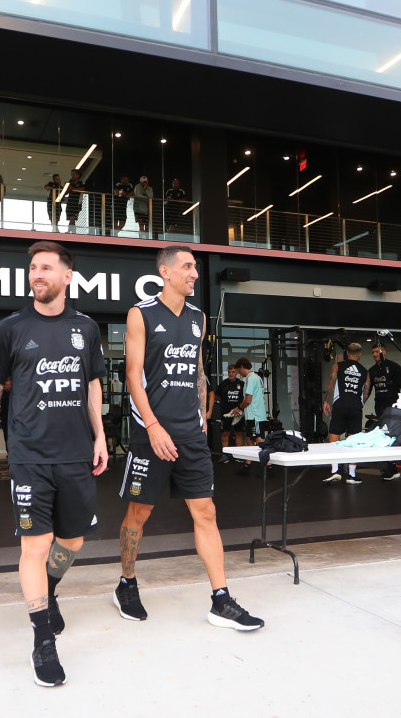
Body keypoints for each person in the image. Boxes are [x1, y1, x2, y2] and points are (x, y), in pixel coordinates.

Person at [0, 241, 108, 688]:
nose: (37, 274)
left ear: (68, 276)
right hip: (28, 453)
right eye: (33, 268)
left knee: (73, 541)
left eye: (46, 267)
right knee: (35, 544)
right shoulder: (11, 327)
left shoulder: (86, 328)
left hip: (76, 453)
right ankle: (42, 639)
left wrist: (101, 435)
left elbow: (91, 386)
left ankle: (46, 592)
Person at [116, 245, 264, 632]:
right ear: (165, 272)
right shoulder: (140, 314)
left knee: (207, 512)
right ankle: (126, 583)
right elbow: (133, 376)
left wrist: (201, 415)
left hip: (189, 433)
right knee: (140, 513)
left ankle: (221, 599)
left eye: (195, 267)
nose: (194, 273)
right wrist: (152, 425)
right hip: (152, 432)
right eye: (187, 267)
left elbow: (198, 370)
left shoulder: (198, 317)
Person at [322, 343, 369, 484]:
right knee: (353, 442)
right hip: (355, 408)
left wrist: (326, 401)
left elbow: (331, 383)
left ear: (347, 353)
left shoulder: (338, 366)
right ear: (360, 354)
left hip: (340, 406)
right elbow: (366, 392)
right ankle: (352, 476)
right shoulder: (365, 371)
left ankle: (335, 471)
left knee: (334, 440)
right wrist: (359, 404)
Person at [366, 343, 401, 481]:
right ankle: (390, 466)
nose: (375, 354)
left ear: (384, 351)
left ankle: (392, 467)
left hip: (393, 406)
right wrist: (361, 403)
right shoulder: (371, 370)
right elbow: (368, 389)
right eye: (373, 352)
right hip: (380, 407)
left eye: (377, 352)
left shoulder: (394, 367)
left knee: (391, 435)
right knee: (382, 436)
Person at [232, 357, 267, 474]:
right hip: (252, 415)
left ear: (242, 367)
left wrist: (238, 408)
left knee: (259, 440)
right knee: (249, 439)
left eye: (238, 370)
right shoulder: (255, 378)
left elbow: (248, 400)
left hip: (256, 416)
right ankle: (247, 466)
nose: (238, 373)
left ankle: (269, 467)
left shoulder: (251, 379)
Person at [215, 364, 245, 449]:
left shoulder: (241, 384)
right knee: (225, 433)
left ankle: (239, 454)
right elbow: (216, 395)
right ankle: (225, 455)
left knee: (238, 433)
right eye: (229, 372)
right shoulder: (223, 384)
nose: (231, 374)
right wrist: (224, 402)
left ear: (237, 373)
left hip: (238, 413)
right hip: (226, 412)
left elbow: (246, 397)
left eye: (233, 372)